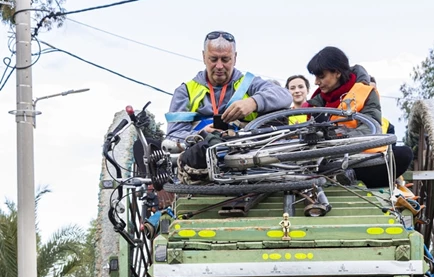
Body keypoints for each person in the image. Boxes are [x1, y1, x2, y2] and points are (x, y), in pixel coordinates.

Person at [305, 46, 413, 188]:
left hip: (361, 158)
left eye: (321, 76)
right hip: (327, 160)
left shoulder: (367, 93)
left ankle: (347, 176)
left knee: (403, 154)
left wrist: (337, 139)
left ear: (336, 72)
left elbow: (371, 129)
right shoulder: (315, 103)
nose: (316, 82)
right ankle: (340, 175)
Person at [166, 30, 291, 141]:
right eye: (213, 59)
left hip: (244, 154)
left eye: (225, 59)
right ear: (204, 57)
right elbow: (173, 135)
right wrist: (200, 135)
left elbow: (285, 95)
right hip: (200, 157)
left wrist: (253, 102)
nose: (219, 66)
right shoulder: (185, 91)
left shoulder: (249, 83)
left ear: (235, 58)